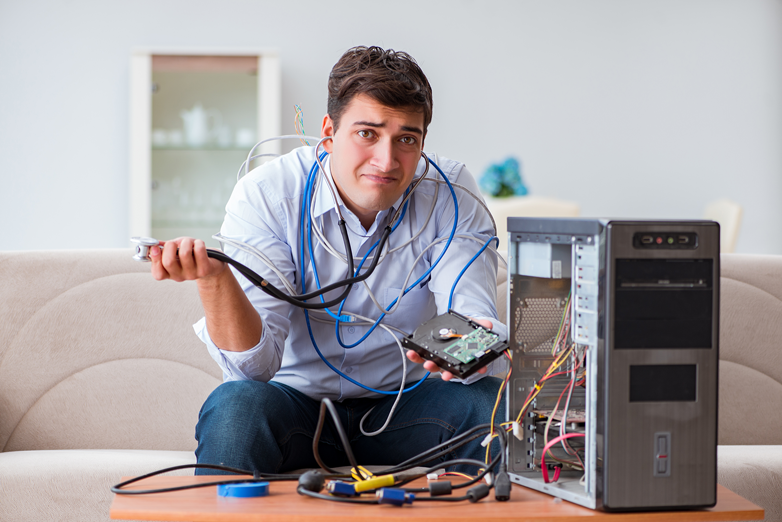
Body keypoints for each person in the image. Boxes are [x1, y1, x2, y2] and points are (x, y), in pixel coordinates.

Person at [149, 46, 507, 475]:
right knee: (236, 406)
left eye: (406, 139)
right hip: (296, 406)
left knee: (489, 403)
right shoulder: (268, 193)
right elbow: (253, 368)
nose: (387, 160)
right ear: (328, 132)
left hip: (407, 407)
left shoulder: (451, 193)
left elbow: (470, 325)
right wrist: (214, 281)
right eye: (367, 133)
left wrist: (476, 347)